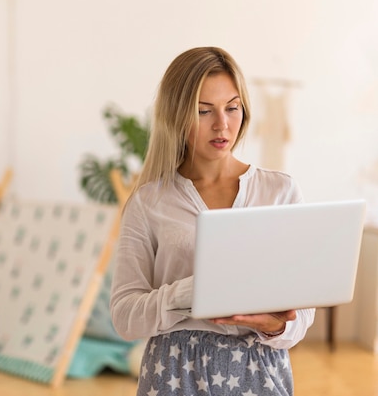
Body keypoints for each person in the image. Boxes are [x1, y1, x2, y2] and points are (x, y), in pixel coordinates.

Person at [109, 47, 315, 396]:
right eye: (204, 111)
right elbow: (125, 316)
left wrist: (274, 326)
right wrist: (190, 292)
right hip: (172, 373)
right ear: (176, 116)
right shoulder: (149, 202)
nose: (222, 124)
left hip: (259, 371)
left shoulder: (279, 190)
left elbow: (302, 316)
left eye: (232, 107)